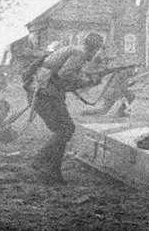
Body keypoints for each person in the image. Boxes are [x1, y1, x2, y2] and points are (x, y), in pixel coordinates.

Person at [28, 32, 104, 184]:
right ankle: (41, 160)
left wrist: (87, 79)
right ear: (95, 49)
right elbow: (65, 76)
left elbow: (63, 79)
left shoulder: (75, 50)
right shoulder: (80, 54)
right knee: (66, 129)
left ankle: (52, 169)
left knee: (63, 131)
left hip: (44, 94)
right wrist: (89, 80)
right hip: (46, 95)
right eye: (98, 51)